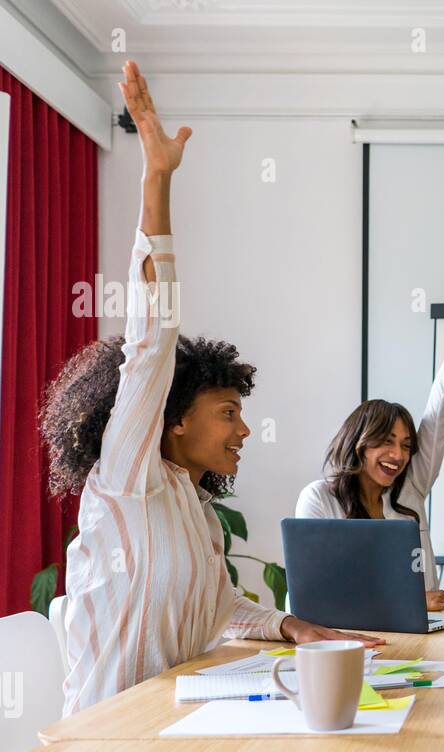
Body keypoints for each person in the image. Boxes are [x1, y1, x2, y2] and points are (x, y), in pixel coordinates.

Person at [41, 61, 381, 716]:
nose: (244, 430)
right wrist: (158, 180)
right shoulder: (130, 478)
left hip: (176, 725)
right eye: (228, 412)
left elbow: (218, 605)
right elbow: (150, 345)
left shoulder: (192, 507)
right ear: (170, 418)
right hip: (111, 743)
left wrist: (294, 628)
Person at [294, 259, 444, 613]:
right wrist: (412, 601)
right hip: (354, 641)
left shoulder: (411, 488)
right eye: (386, 441)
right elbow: (311, 597)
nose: (398, 455)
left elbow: (439, 412)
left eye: (405, 445)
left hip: (427, 636)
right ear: (359, 442)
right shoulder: (320, 499)